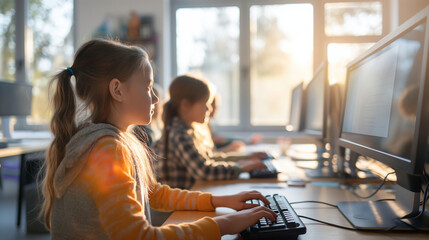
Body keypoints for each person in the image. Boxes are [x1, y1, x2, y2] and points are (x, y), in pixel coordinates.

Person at [39, 39, 276, 239]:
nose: (155, 99)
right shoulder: (105, 148)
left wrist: (220, 201)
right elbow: (139, 236)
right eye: (148, 87)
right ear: (117, 90)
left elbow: (153, 193)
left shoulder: (113, 140)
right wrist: (224, 225)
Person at [154, 75, 266, 190]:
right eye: (205, 104)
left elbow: (210, 158)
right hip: (176, 205)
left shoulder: (187, 129)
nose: (209, 109)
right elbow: (204, 171)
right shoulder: (179, 133)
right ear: (185, 105)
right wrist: (240, 168)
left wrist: (245, 159)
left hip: (189, 195)